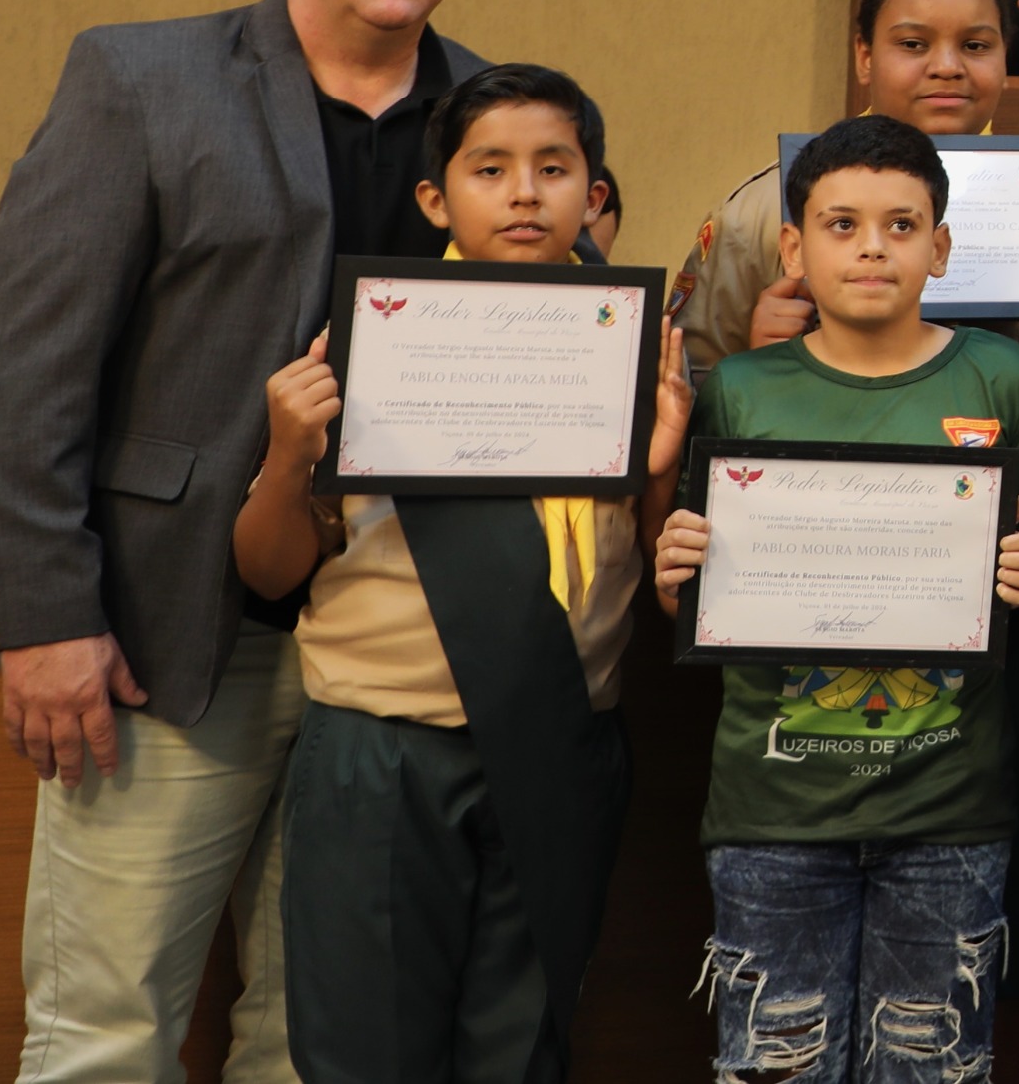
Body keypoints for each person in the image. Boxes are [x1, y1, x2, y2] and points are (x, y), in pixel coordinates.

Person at [0, 0, 496, 1083]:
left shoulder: (497, 114)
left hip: (391, 655)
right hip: (167, 639)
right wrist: (44, 617)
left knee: (314, 1039)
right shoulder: (142, 79)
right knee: (105, 1027)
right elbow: (28, 368)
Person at [235, 63, 691, 1081]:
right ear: (437, 197)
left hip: (560, 736)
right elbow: (270, 570)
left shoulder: (637, 347)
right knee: (366, 1051)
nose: (525, 192)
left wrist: (659, 466)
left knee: (519, 1048)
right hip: (384, 747)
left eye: (553, 167)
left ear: (594, 193)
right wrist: (284, 453)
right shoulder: (368, 337)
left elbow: (662, 576)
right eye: (491, 169)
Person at [646, 116, 1019, 1082]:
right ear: (793, 246)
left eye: (902, 225)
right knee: (776, 1065)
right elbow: (688, 566)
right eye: (840, 225)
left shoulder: (1002, 380)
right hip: (775, 805)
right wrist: (677, 550)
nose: (872, 246)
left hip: (949, 806)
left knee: (933, 1065)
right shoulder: (743, 388)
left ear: (942, 247)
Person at [669, 0, 1019, 377]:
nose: (947, 67)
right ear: (864, 56)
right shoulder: (763, 211)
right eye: (914, 44)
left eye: (975, 46)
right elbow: (682, 388)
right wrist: (758, 362)